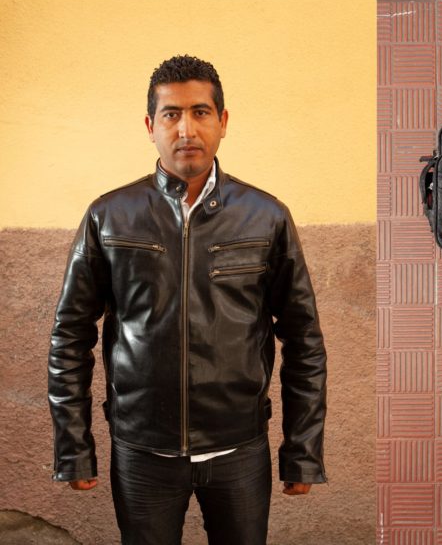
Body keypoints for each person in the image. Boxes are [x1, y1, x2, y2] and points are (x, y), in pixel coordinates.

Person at [48, 55, 327, 544]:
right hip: (142, 451)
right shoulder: (109, 216)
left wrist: (301, 451)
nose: (186, 129)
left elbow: (304, 340)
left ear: (222, 121)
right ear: (150, 126)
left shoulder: (266, 217)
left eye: (200, 112)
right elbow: (70, 336)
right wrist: (74, 446)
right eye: (171, 114)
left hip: (238, 449)